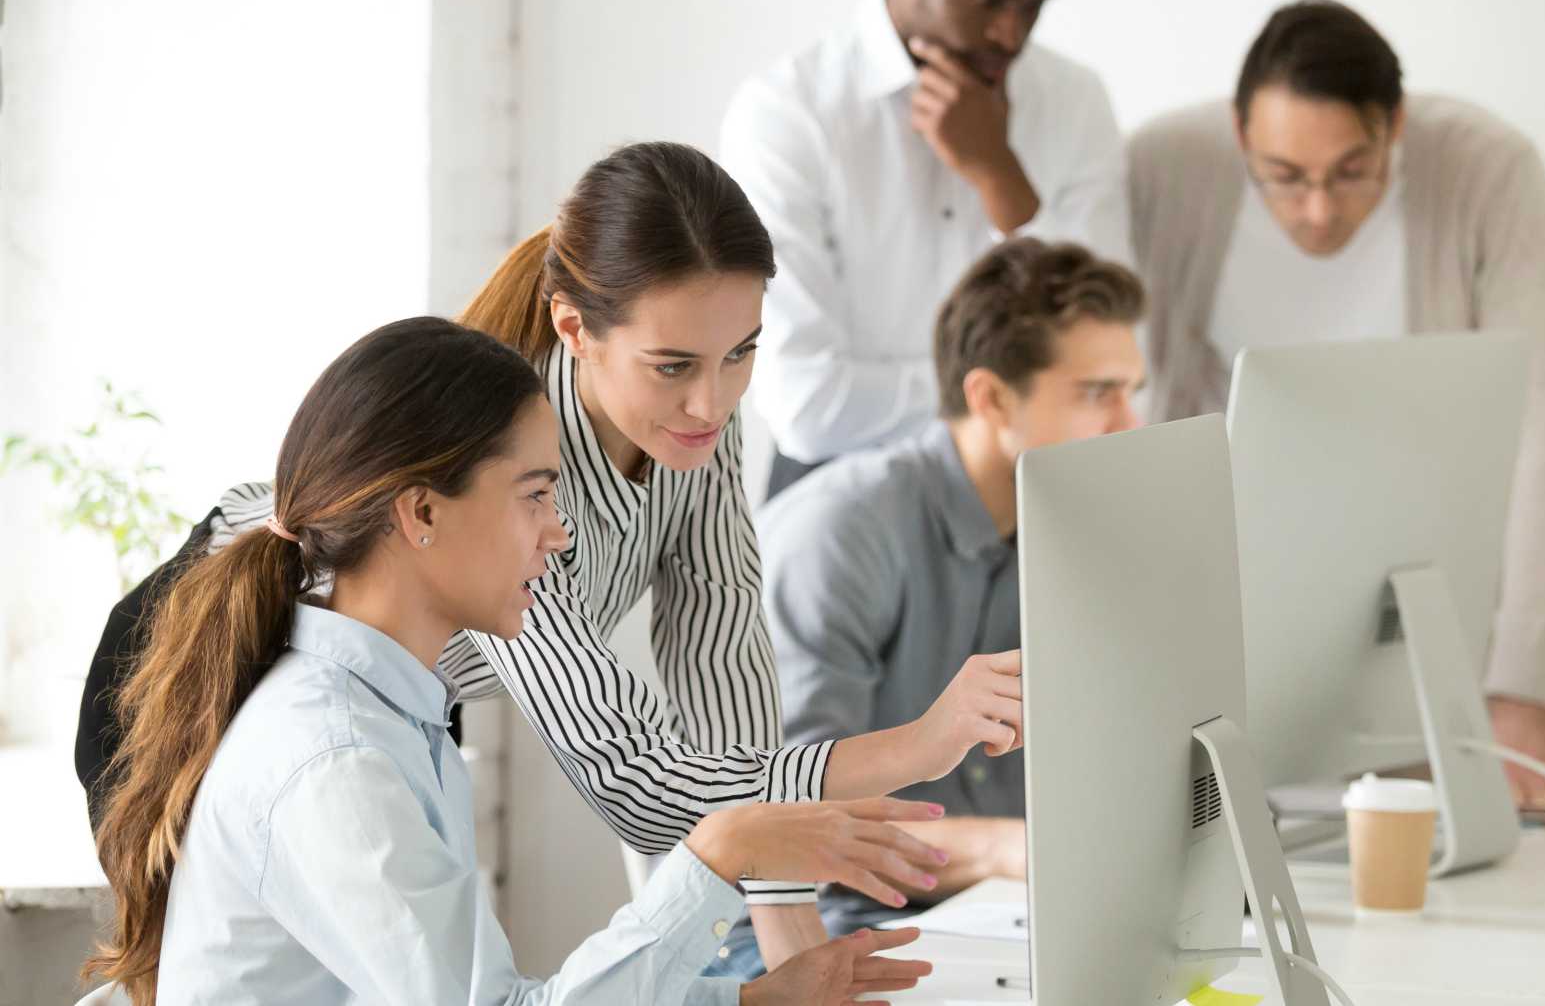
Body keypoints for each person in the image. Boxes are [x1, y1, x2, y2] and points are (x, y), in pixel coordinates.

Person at [76, 143, 1025, 972]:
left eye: (742, 353)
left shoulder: (694, 424)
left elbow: (721, 665)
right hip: (189, 676)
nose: (713, 401)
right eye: (673, 365)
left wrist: (791, 936)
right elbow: (643, 786)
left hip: (396, 707)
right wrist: (916, 745)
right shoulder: (522, 475)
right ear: (575, 330)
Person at [82, 317, 945, 1005]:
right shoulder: (334, 760)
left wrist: (754, 1002)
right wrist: (717, 855)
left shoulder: (395, 717)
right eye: (535, 495)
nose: (559, 533)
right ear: (422, 513)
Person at [1128, 0, 1545, 812]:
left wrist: (1521, 680)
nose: (1318, 210)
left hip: (1414, 611)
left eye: (1352, 173)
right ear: (1240, 134)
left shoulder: (1488, 169)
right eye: (1285, 177)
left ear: (1395, 128)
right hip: (1220, 620)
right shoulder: (1163, 167)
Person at [720, 239, 1145, 968]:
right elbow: (792, 823)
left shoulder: (1076, 528)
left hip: (995, 923)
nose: (1129, 424)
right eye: (1096, 392)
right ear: (991, 398)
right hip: (803, 938)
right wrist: (1011, 849)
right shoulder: (843, 532)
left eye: (1131, 390)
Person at [720, 0, 1129, 498]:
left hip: (1034, 496)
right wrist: (1014, 394)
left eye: (1034, 6)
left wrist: (1002, 180)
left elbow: (1106, 352)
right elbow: (806, 403)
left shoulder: (1075, 101)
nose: (1011, 34)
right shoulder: (787, 116)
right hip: (842, 499)